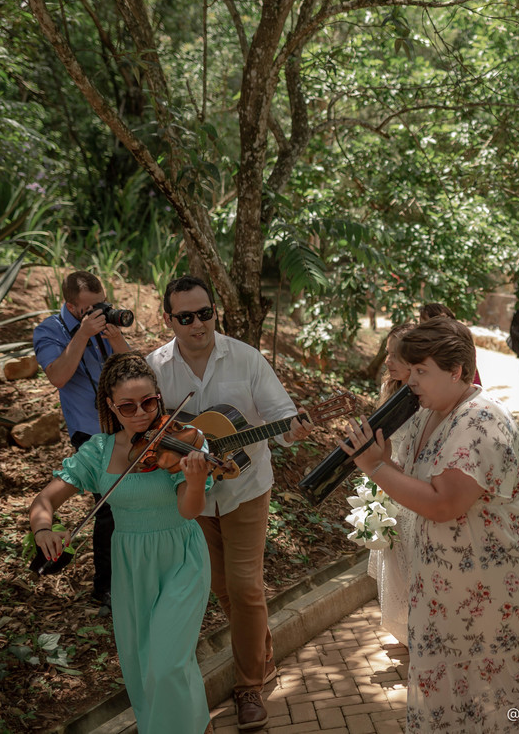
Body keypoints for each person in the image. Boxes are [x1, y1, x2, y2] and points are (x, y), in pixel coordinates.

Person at [339, 318, 519, 730]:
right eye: (411, 369)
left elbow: (445, 504)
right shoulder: (431, 412)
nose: (411, 380)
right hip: (455, 597)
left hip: (499, 594)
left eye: (421, 370)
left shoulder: (480, 421)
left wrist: (376, 468)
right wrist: (386, 461)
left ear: (456, 371)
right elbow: (420, 485)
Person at [145, 276, 312, 731]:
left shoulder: (245, 358)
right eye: (186, 317)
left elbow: (280, 415)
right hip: (190, 493)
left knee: (245, 586)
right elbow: (148, 426)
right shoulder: (156, 367)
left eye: (206, 313)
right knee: (219, 586)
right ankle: (263, 654)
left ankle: (249, 686)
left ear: (215, 311)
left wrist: (292, 427)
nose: (198, 324)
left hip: (245, 488)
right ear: (169, 319)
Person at [30, 353, 214, 734]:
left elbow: (188, 511)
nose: (141, 414)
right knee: (143, 669)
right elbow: (44, 501)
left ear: (159, 399)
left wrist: (195, 480)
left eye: (149, 403)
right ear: (111, 407)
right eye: (128, 407)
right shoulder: (98, 452)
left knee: (167, 664)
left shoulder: (180, 442)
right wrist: (44, 530)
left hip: (181, 560)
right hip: (131, 566)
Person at [32, 270, 133, 607]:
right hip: (90, 431)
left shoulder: (104, 322)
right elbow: (58, 376)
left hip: (126, 422)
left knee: (132, 500)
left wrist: (115, 339)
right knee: (109, 508)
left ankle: (134, 575)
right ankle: (105, 589)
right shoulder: (49, 330)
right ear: (73, 307)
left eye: (102, 303)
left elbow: (135, 370)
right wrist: (82, 335)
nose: (99, 311)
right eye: (90, 308)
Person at [368, 322, 417, 645]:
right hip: (391, 486)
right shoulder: (390, 390)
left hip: (413, 489)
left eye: (395, 355)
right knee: (396, 564)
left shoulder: (425, 399)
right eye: (387, 353)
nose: (387, 361)